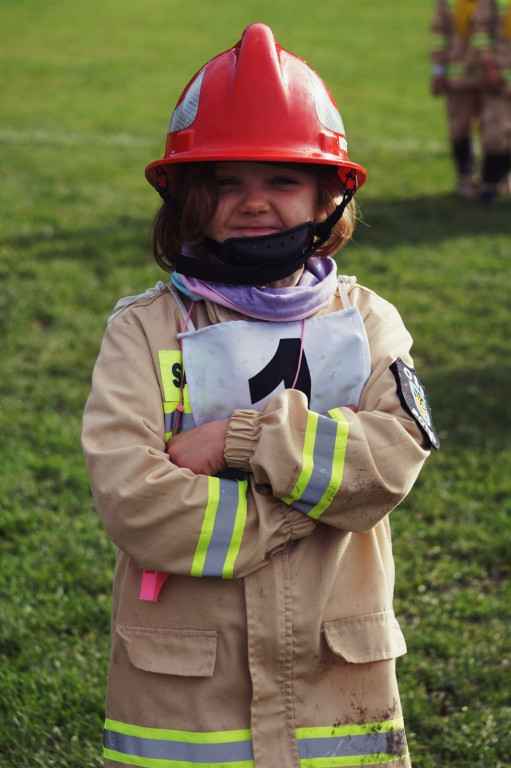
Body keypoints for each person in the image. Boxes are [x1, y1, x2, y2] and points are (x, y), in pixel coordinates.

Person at [81, 23, 440, 768]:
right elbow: (134, 500)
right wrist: (311, 505)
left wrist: (236, 443)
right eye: (225, 182)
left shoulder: (366, 320)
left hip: (338, 687)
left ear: (326, 196)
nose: (253, 203)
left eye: (280, 181)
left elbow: (392, 462)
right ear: (185, 196)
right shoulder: (142, 332)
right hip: (184, 699)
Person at [431, 0, 484, 197]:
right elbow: (439, 33)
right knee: (459, 127)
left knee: (496, 130)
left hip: (496, 77)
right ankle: (466, 176)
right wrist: (438, 70)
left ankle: (493, 181)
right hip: (459, 75)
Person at [474, 0, 511, 202]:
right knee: (495, 133)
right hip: (500, 77)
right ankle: (490, 184)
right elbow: (481, 30)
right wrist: (489, 66)